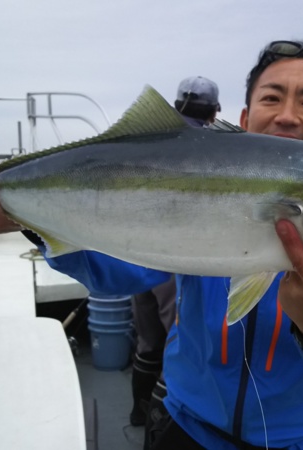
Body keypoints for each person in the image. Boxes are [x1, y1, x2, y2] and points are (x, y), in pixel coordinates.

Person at [0, 40, 303, 450]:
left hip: (298, 444)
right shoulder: (199, 183)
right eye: (271, 97)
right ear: (244, 118)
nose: (286, 115)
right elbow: (115, 272)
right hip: (184, 427)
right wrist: (24, 219)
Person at [129, 75, 222, 427]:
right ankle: (160, 422)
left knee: (147, 341)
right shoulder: (217, 149)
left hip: (137, 255)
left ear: (175, 104)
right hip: (175, 263)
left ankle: (137, 414)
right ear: (214, 112)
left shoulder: (151, 140)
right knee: (177, 343)